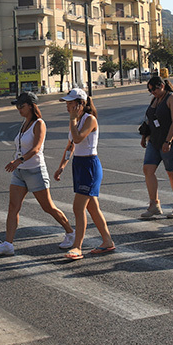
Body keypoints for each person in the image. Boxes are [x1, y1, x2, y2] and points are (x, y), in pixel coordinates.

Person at [0, 91, 75, 256]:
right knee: (13, 207)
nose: (19, 109)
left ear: (30, 105)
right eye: (17, 106)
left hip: (35, 170)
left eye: (21, 106)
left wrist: (18, 160)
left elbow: (36, 149)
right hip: (20, 172)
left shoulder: (39, 124)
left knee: (48, 207)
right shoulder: (24, 123)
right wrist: (18, 163)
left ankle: (70, 232)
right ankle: (8, 244)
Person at [53, 88, 113, 259]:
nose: (67, 107)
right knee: (92, 208)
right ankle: (107, 241)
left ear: (81, 104)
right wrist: (62, 166)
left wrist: (72, 119)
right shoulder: (76, 120)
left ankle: (77, 247)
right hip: (78, 164)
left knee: (78, 207)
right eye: (67, 103)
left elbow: (78, 138)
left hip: (89, 166)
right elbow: (71, 145)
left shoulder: (89, 119)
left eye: (71, 103)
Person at [140, 75, 173, 219]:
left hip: (171, 141)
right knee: (148, 169)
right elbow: (149, 120)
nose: (152, 92)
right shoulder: (155, 99)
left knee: (172, 173)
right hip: (154, 141)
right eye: (150, 90)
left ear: (161, 86)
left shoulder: (172, 98)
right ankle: (154, 205)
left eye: (154, 89)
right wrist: (144, 137)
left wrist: (168, 141)